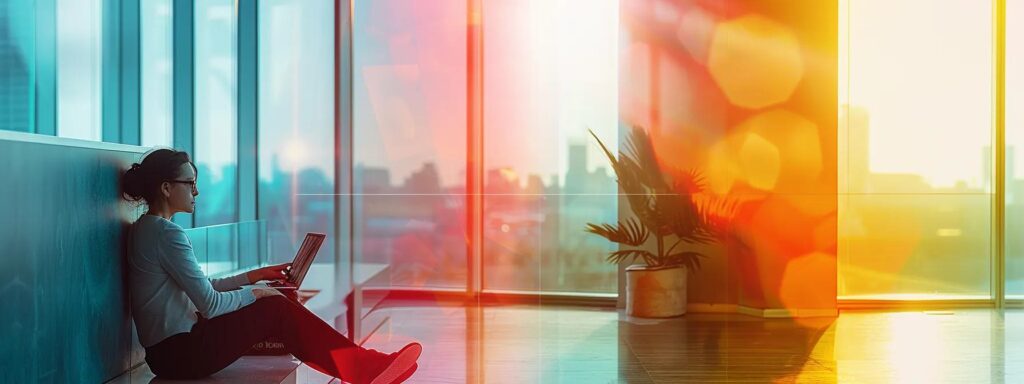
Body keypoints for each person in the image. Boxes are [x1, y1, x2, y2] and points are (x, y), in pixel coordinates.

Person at [122, 148, 420, 383]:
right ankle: (364, 368)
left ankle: (360, 366)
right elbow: (211, 304)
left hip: (170, 353)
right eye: (190, 184)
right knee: (275, 307)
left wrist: (258, 277)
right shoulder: (166, 233)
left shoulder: (147, 229)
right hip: (182, 355)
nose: (196, 192)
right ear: (165, 188)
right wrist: (257, 293)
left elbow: (205, 287)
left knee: (277, 300)